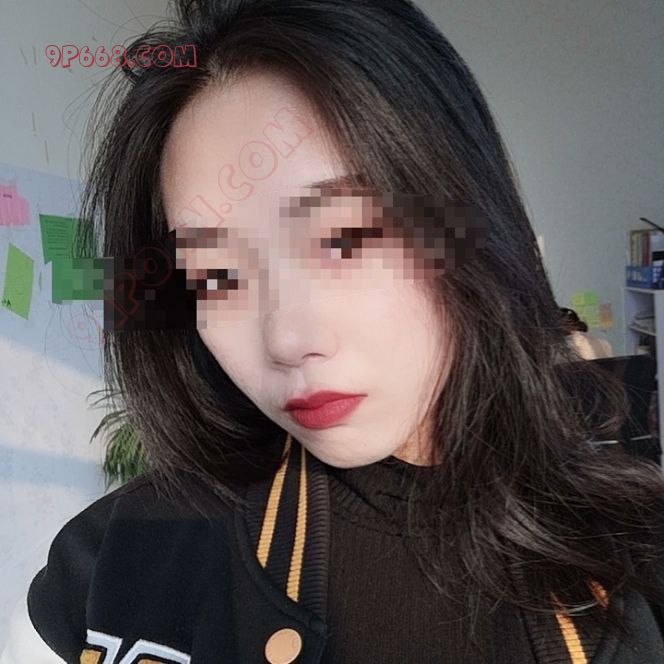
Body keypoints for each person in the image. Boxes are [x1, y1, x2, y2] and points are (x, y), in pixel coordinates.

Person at [3, 1, 664, 662]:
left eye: (345, 238)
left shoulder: (633, 554)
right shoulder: (119, 560)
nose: (287, 340)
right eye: (218, 275)